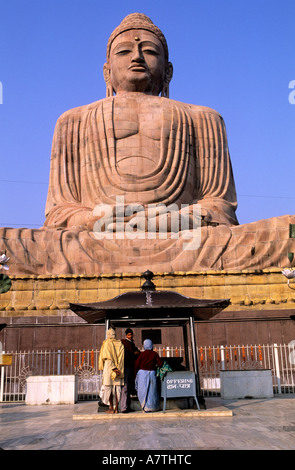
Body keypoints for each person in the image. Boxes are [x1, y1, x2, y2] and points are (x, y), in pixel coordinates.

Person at [0, 13, 294, 275]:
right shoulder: (73, 121)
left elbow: (220, 208)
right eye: (124, 51)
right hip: (98, 237)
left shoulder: (204, 118)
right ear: (106, 72)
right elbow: (59, 214)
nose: (137, 56)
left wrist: (172, 220)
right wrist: (95, 217)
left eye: (149, 51)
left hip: (183, 235)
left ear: (168, 72)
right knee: (12, 245)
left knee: (285, 234)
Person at [98, 328, 124, 413]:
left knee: (108, 387)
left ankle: (111, 408)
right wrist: (118, 368)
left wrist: (113, 368)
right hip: (119, 369)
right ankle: (116, 408)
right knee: (117, 389)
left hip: (109, 368)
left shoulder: (106, 343)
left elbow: (107, 358)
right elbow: (121, 358)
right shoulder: (120, 344)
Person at [135, 339, 164, 412]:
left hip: (142, 374)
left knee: (143, 391)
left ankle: (145, 407)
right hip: (152, 373)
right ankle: (153, 407)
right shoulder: (154, 354)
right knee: (152, 391)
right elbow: (160, 363)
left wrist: (135, 374)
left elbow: (137, 364)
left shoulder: (142, 354)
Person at [120, 328, 140, 413]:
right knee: (125, 387)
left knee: (128, 387)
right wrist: (134, 353)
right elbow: (128, 354)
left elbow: (137, 351)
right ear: (126, 335)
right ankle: (124, 407)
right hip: (126, 367)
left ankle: (127, 406)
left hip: (130, 367)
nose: (130, 336)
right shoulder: (124, 343)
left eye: (131, 335)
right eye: (129, 335)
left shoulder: (131, 343)